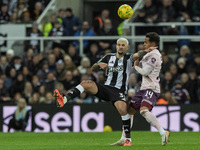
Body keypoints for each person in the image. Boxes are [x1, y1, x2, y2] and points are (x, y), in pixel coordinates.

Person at [54, 37, 153, 146]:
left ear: (127, 47)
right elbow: (93, 68)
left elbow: (137, 54)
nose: (120, 46)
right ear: (116, 46)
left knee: (122, 109)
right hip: (106, 88)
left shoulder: (128, 58)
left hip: (118, 91)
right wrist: (98, 65)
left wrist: (145, 51)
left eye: (123, 45)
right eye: (119, 44)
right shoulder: (108, 57)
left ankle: (128, 139)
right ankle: (64, 99)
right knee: (85, 83)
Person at [111, 32, 170, 146]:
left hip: (152, 88)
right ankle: (125, 138)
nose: (144, 44)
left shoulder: (154, 55)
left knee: (143, 111)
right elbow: (137, 69)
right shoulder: (148, 54)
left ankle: (163, 132)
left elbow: (144, 72)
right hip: (144, 88)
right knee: (130, 112)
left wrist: (136, 65)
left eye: (146, 42)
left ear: (152, 43)